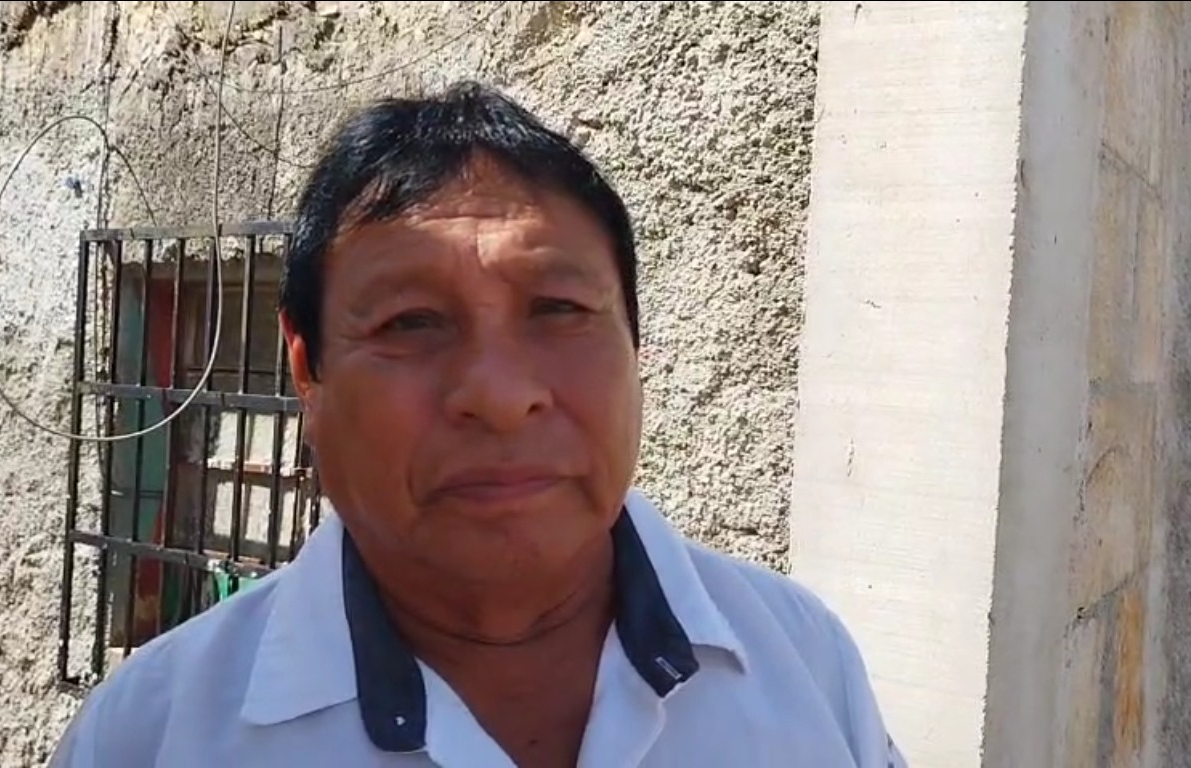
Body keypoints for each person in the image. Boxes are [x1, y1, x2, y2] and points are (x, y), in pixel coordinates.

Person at [49, 80, 906, 768]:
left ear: (636, 348)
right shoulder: (152, 736)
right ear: (307, 371)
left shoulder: (802, 663)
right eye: (411, 323)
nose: (499, 395)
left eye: (559, 309)